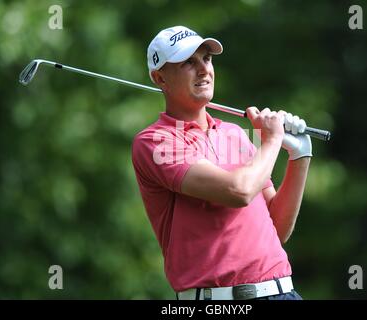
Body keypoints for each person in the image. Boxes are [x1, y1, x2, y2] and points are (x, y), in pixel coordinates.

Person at [131, 26, 312, 300]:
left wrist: (299, 157)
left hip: (283, 292)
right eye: (188, 62)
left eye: (206, 58)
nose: (203, 69)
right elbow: (238, 192)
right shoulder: (156, 141)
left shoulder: (234, 133)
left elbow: (278, 227)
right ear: (160, 78)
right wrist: (272, 141)